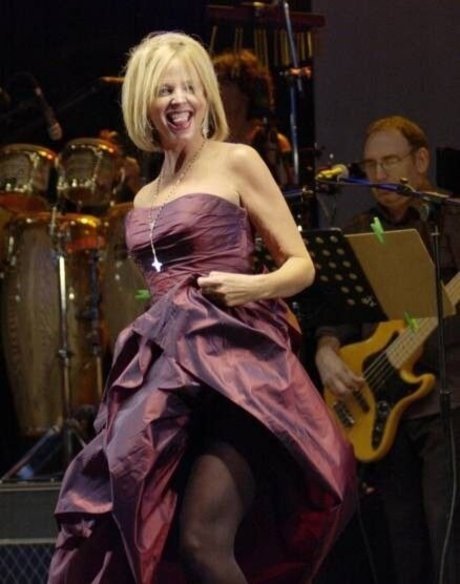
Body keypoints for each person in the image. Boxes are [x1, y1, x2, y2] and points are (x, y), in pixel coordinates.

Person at [47, 31, 356, 584]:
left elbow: (301, 266)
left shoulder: (236, 161)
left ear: (206, 94)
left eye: (189, 87)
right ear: (144, 102)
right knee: (145, 532)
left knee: (202, 542)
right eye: (165, 90)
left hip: (237, 371)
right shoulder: (146, 195)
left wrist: (249, 288)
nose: (179, 100)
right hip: (168, 377)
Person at [314, 115, 460, 584]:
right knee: (401, 542)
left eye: (390, 161)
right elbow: (335, 312)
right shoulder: (360, 229)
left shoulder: (453, 221)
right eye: (371, 165)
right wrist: (326, 350)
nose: (379, 175)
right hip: (379, 404)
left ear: (421, 160)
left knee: (447, 534)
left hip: (446, 404)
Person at [212, 48, 294, 188]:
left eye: (224, 82)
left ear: (245, 89)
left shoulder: (271, 143)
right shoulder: (205, 142)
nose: (216, 89)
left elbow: (284, 191)